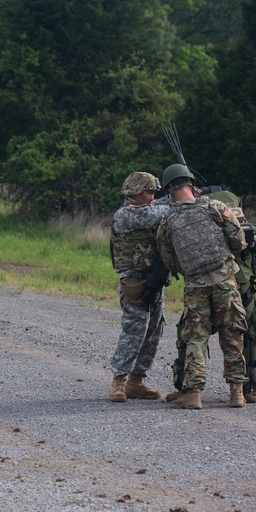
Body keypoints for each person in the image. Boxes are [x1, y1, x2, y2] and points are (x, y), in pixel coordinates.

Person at [166, 190, 256, 403]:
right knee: (248, 337)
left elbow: (169, 256)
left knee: (191, 335)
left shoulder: (196, 229)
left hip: (204, 291)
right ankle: (248, 389)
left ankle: (187, 388)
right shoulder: (246, 230)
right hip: (241, 293)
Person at [155, 164, 248, 409]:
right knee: (232, 335)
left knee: (196, 338)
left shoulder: (167, 221)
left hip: (195, 285)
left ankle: (193, 394)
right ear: (191, 184)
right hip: (225, 281)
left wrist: (185, 270)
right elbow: (238, 240)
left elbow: (168, 258)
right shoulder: (216, 207)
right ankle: (237, 393)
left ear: (170, 190)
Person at [108, 171, 173, 402]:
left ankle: (136, 381)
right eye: (149, 191)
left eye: (155, 192)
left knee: (154, 331)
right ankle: (119, 381)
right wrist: (183, 199)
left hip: (155, 281)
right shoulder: (126, 215)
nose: (153, 196)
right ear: (135, 192)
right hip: (134, 282)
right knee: (133, 332)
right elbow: (158, 213)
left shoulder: (149, 207)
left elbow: (160, 206)